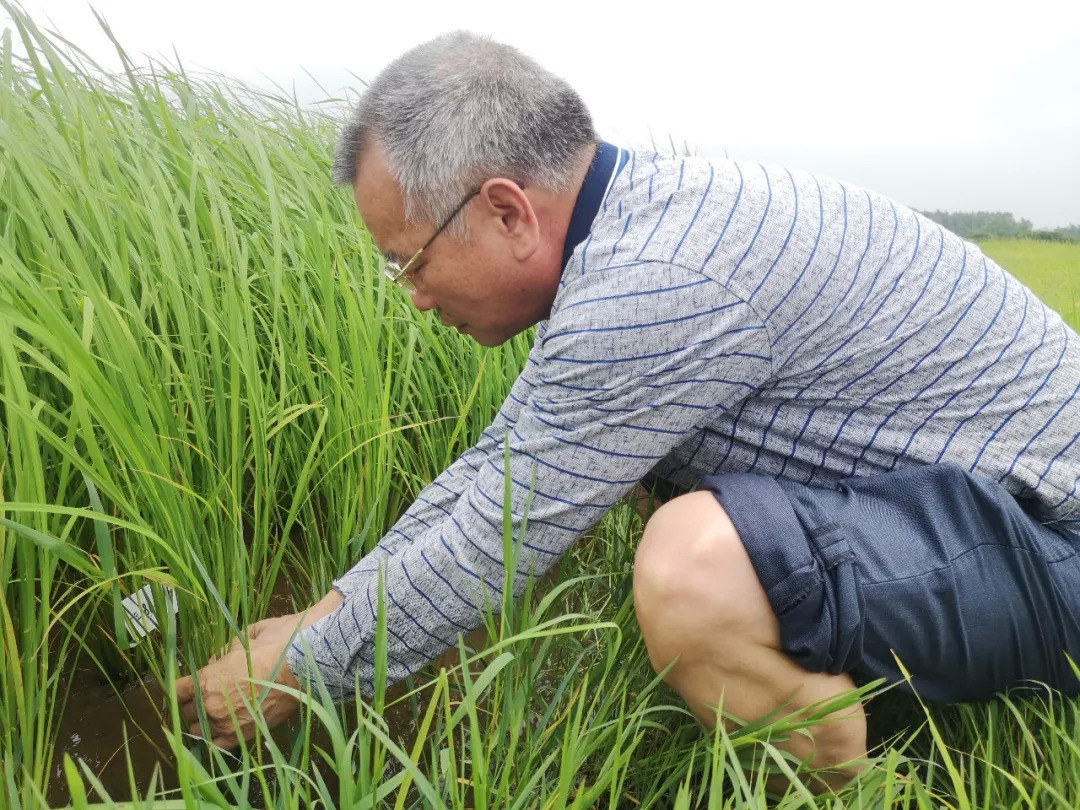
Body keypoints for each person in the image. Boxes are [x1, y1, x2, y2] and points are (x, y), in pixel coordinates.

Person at [175, 31, 1080, 786]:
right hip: (988, 512)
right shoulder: (641, 228)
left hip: (1058, 537)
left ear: (506, 211)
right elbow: (502, 464)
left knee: (691, 568)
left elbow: (502, 529)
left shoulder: (658, 283)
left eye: (411, 261)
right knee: (674, 491)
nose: (414, 295)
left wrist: (296, 670)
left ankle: (842, 770)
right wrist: (324, 613)